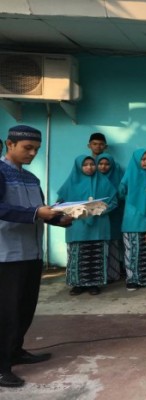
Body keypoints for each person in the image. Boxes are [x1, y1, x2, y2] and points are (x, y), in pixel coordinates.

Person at [0, 125, 72, 388]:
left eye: (36, 149)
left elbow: (40, 210)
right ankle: (1, 367)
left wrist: (61, 219)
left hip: (31, 253)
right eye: (27, 148)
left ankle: (15, 351)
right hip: (6, 255)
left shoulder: (31, 178)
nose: (32, 153)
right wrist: (36, 213)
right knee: (6, 313)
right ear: (10, 144)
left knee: (25, 308)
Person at [57, 155, 117, 296]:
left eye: (92, 164)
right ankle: (77, 284)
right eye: (85, 165)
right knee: (78, 255)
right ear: (79, 167)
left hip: (99, 225)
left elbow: (114, 202)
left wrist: (100, 209)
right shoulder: (70, 183)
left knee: (96, 255)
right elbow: (60, 203)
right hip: (78, 226)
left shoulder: (104, 182)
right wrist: (72, 211)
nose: (89, 167)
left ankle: (94, 284)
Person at [119, 149, 146, 290]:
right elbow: (121, 193)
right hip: (132, 220)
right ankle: (132, 280)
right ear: (137, 160)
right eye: (143, 159)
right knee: (132, 251)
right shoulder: (129, 175)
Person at [96, 153, 125, 282]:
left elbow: (122, 194)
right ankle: (101, 275)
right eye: (100, 164)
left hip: (115, 215)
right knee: (99, 245)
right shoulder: (93, 179)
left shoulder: (118, 176)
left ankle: (113, 274)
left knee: (114, 244)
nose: (103, 167)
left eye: (107, 164)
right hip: (97, 217)